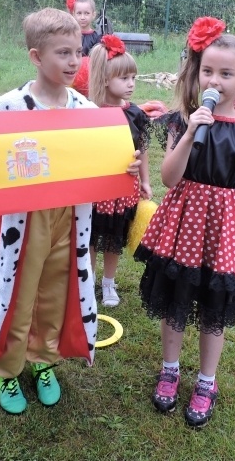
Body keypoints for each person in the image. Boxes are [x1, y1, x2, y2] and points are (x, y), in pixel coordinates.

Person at [0, 8, 141, 415]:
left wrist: (125, 166)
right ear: (35, 56)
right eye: (62, 52)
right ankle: (6, 370)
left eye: (77, 52)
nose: (72, 61)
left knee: (57, 289)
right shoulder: (9, 106)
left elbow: (105, 162)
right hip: (24, 222)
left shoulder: (85, 108)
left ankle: (44, 361)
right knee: (19, 290)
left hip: (71, 218)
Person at [134, 17, 235, 428]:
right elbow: (169, 178)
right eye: (208, 71)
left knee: (214, 309)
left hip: (225, 233)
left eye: (226, 73)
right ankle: (170, 368)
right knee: (175, 300)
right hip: (183, 227)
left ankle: (207, 381)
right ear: (198, 73)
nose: (216, 80)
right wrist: (191, 131)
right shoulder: (182, 121)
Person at [87, 34, 152, 307]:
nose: (131, 84)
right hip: (95, 188)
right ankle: (87, 280)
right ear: (104, 79)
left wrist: (146, 181)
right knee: (90, 236)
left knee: (114, 236)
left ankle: (109, 282)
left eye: (133, 78)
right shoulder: (90, 112)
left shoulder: (136, 114)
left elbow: (142, 149)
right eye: (124, 78)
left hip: (125, 188)